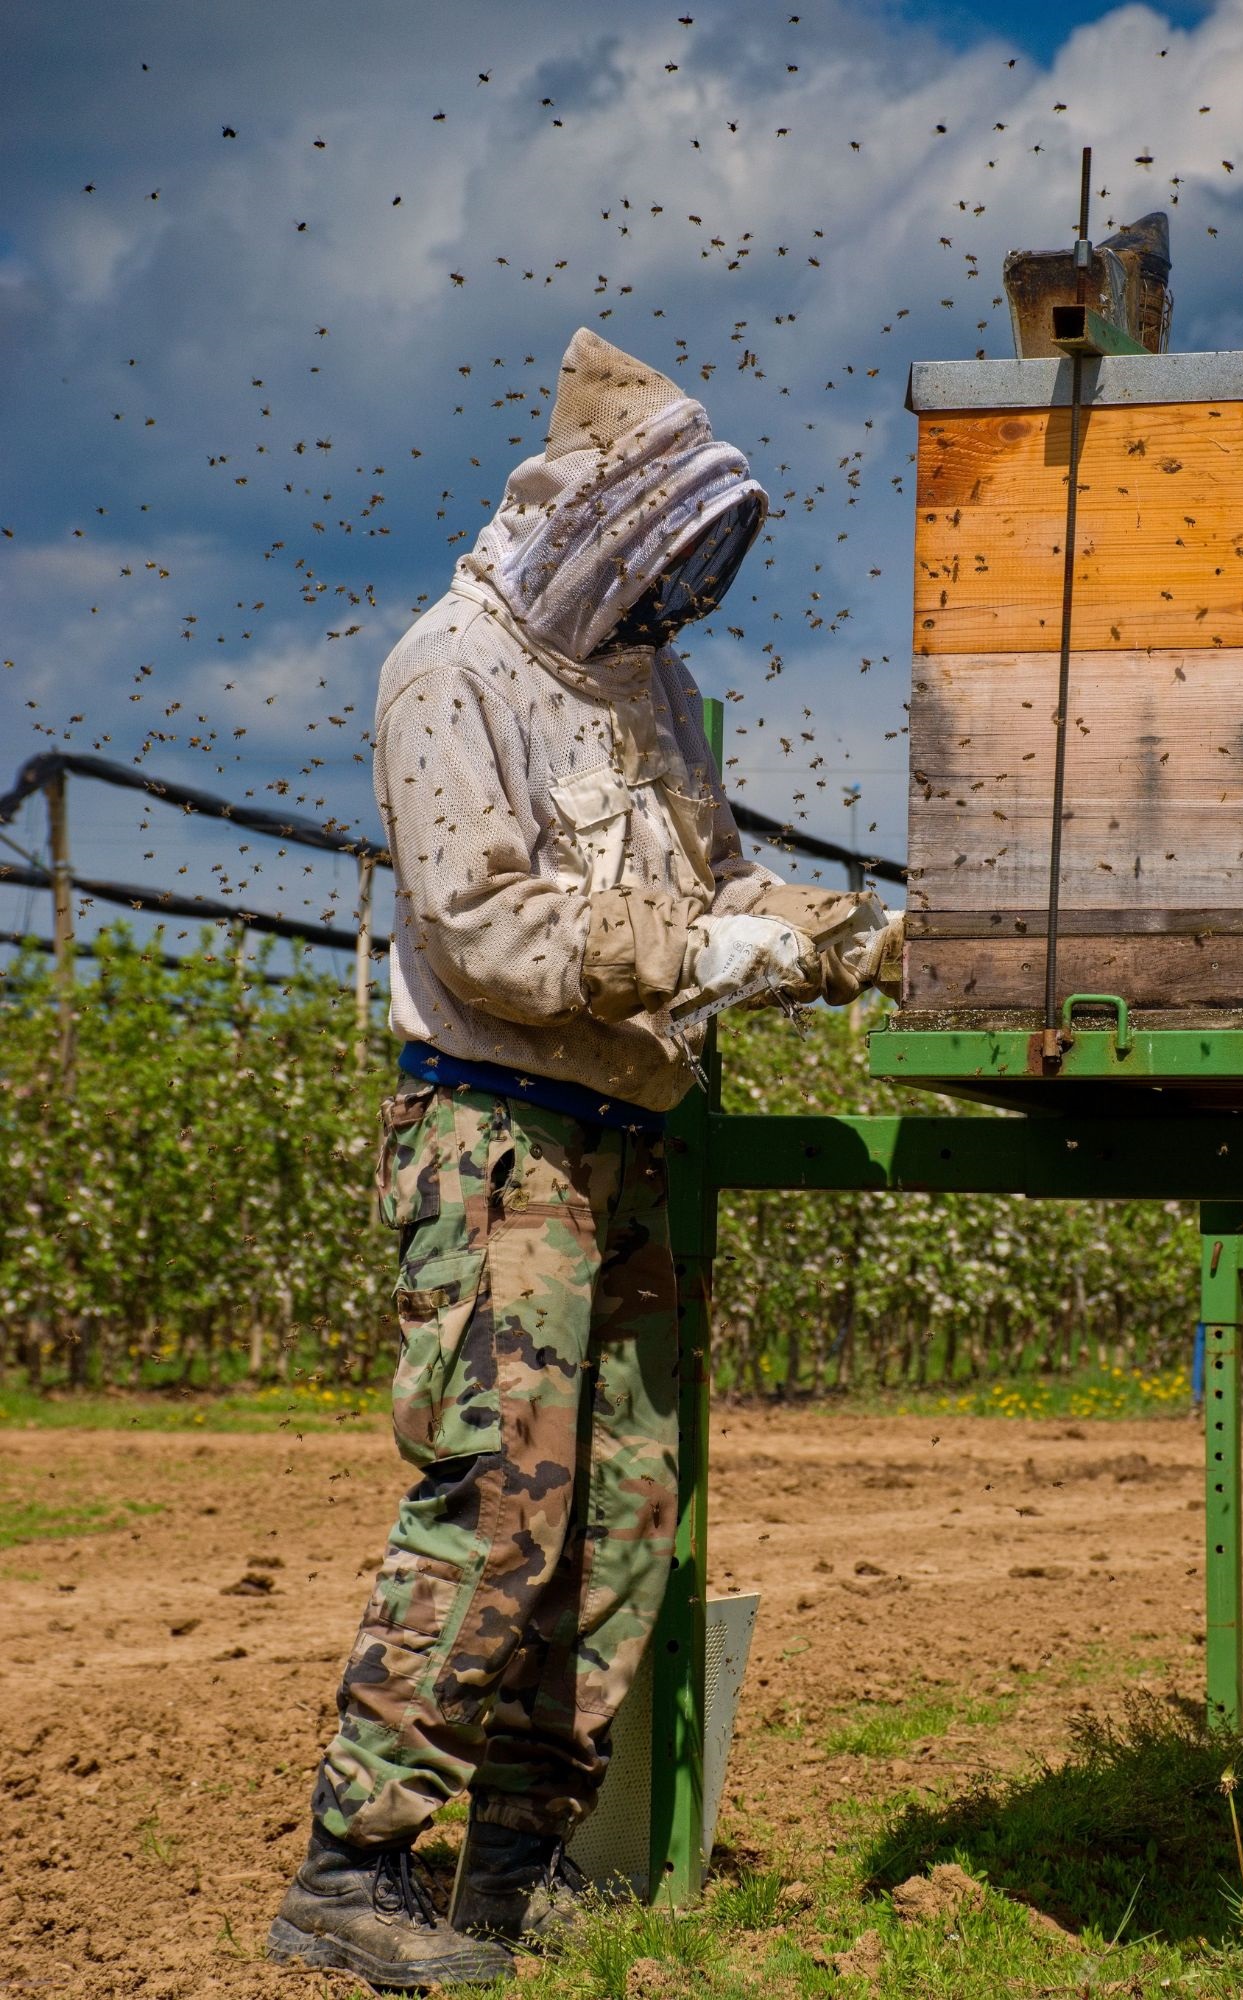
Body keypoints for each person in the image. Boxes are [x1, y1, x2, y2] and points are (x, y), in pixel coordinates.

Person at [267, 326, 900, 1989]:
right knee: (500, 1496)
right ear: (602, 517)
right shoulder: (447, 667)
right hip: (498, 1134)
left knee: (623, 1502)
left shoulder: (652, 687)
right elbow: (481, 928)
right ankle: (353, 1868)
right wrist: (693, 951)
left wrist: (851, 936)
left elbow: (725, 885)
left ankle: (514, 1880)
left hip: (631, 1141)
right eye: (667, 551)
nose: (683, 588)